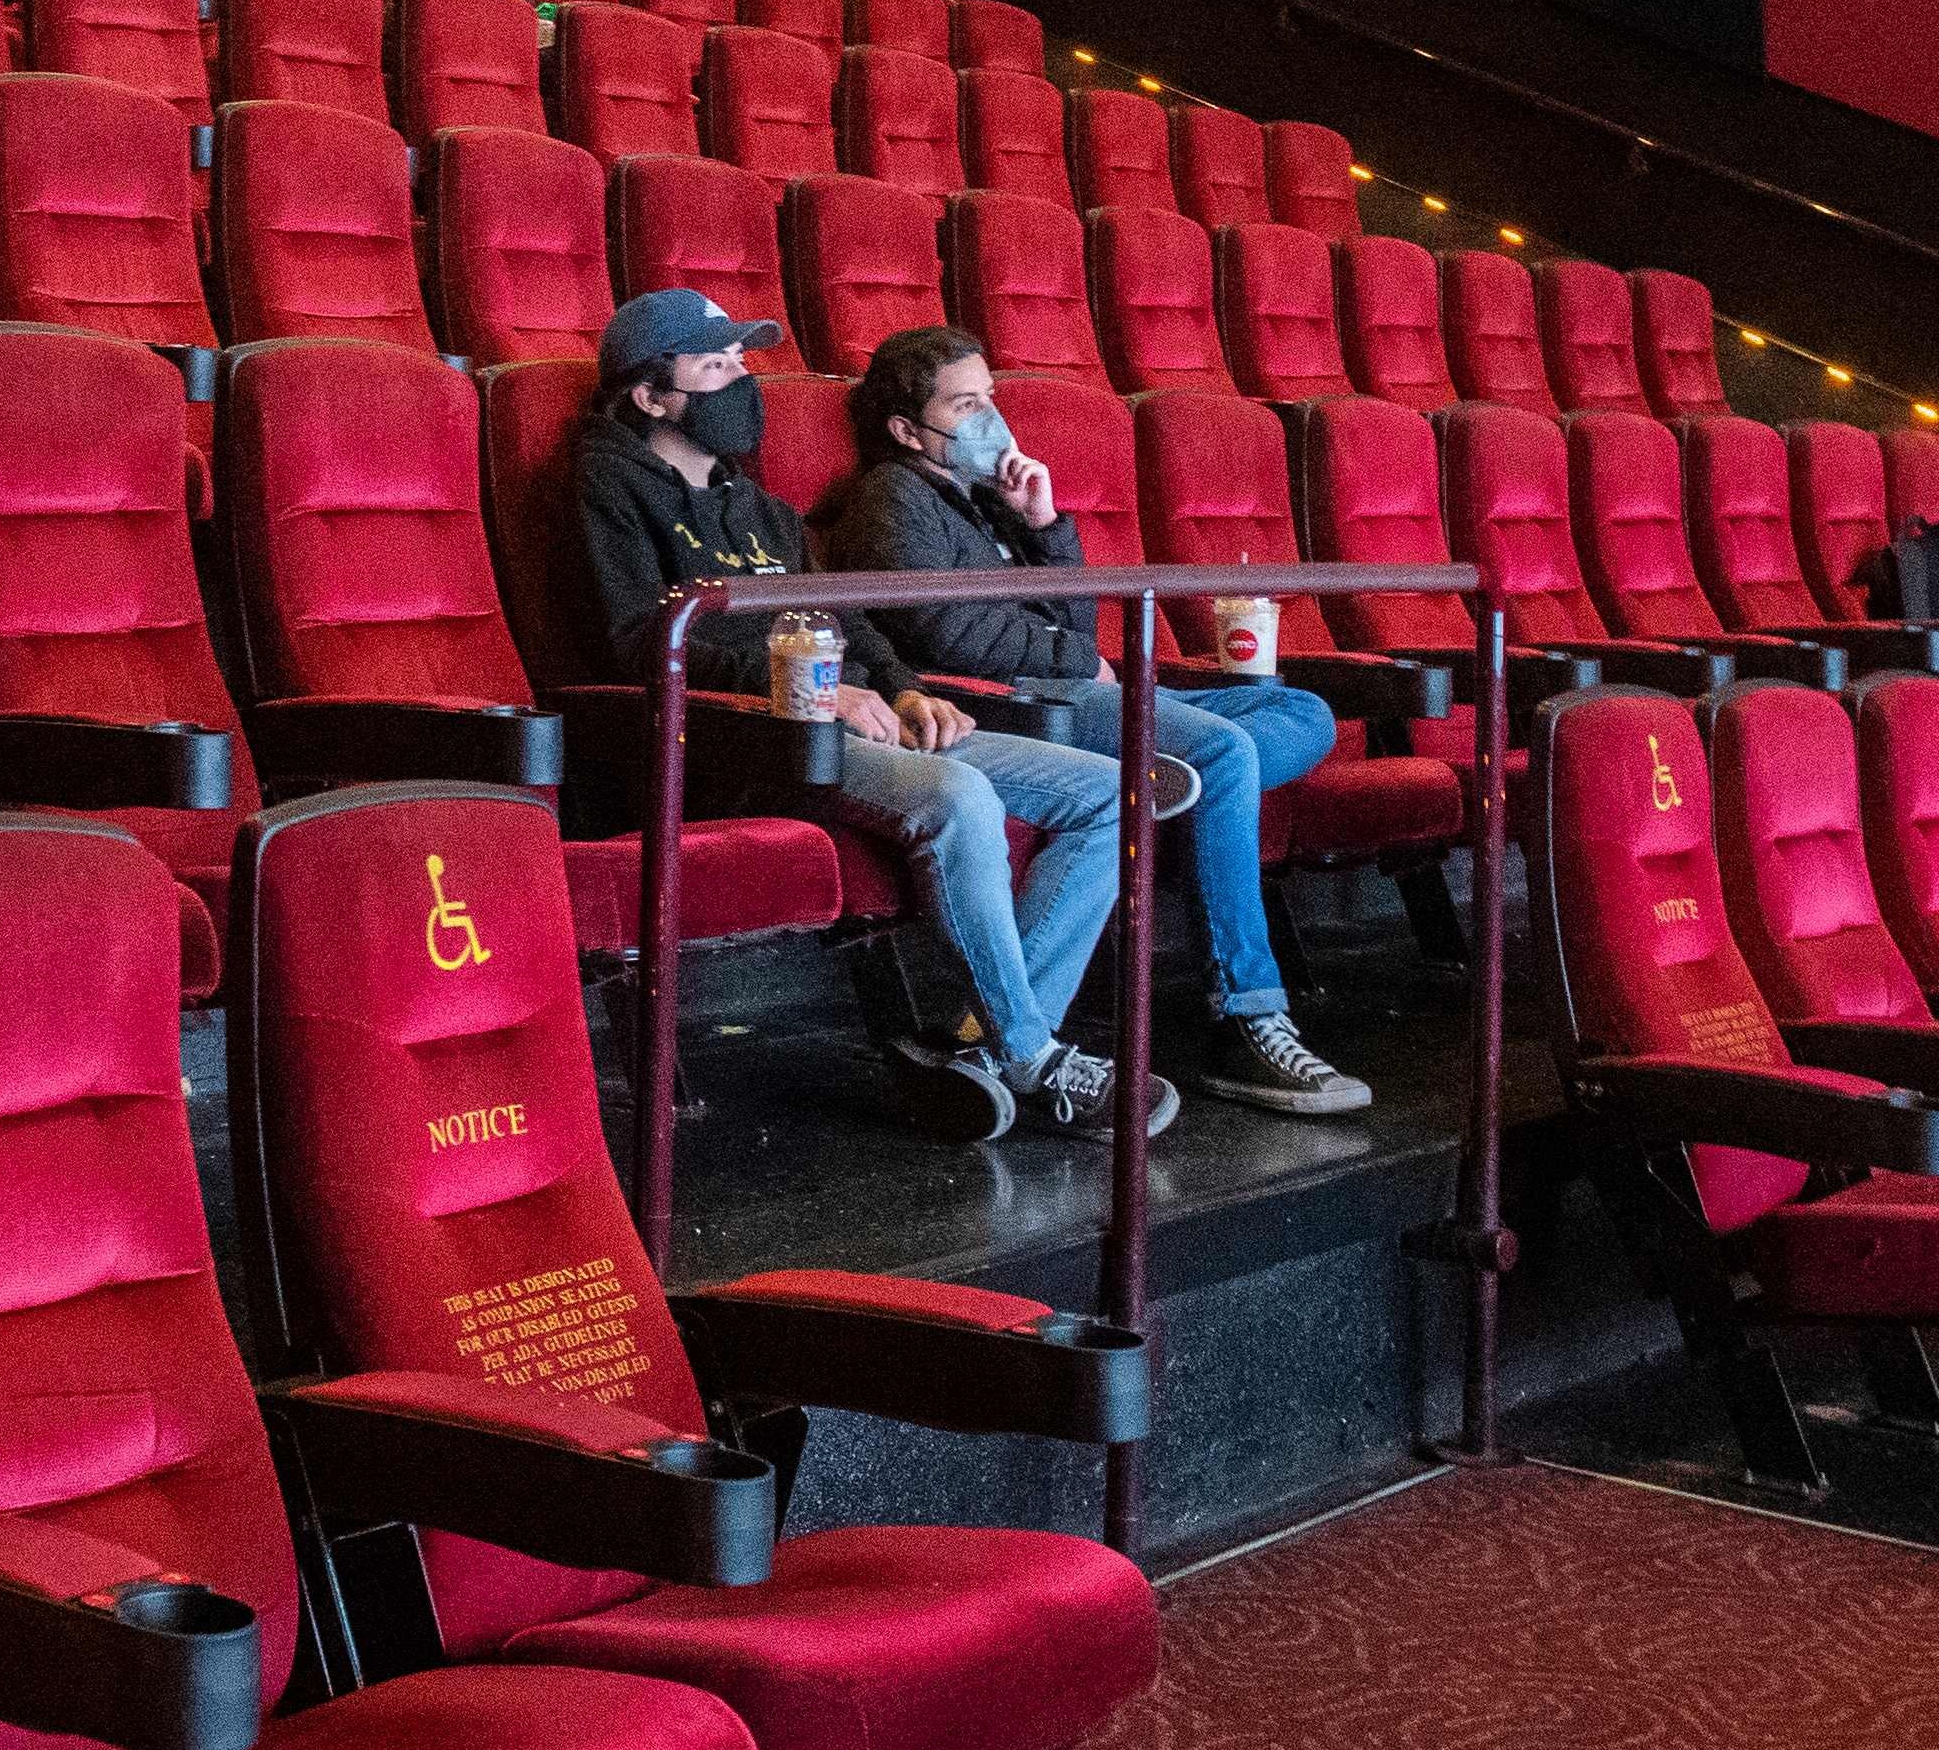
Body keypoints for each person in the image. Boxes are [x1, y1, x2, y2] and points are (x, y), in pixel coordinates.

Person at [568, 288, 1153, 1146]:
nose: (741, 384)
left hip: (854, 720)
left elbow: (850, 619)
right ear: (652, 396)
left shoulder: (761, 509)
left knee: (1113, 792)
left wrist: (905, 686)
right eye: (715, 366)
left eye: (743, 364)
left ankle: (977, 1051)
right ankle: (1032, 1055)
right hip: (746, 739)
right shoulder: (608, 486)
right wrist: (807, 691)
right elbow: (633, 643)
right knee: (959, 798)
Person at [822, 328, 1370, 1116]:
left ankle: (1194, 785)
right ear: (908, 431)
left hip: (1077, 688)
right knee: (1222, 750)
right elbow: (938, 630)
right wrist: (1073, 662)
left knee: (1300, 710)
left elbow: (1076, 624)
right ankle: (1246, 1018)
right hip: (1017, 704)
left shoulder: (984, 500)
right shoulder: (892, 497)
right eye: (965, 404)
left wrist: (1042, 524)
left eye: (991, 399)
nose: (990, 421)